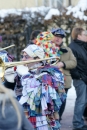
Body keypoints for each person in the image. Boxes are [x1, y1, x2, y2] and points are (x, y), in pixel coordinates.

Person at [51, 28, 77, 121]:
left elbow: (74, 62)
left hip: (64, 81)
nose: (58, 39)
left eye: (60, 37)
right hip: (49, 81)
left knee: (62, 103)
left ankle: (58, 121)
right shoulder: (46, 48)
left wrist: (63, 63)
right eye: (56, 36)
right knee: (50, 104)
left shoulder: (67, 49)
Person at [69, 27, 87, 130]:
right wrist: (79, 76)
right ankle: (77, 124)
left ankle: (79, 122)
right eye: (85, 34)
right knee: (81, 101)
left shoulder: (83, 46)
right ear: (79, 35)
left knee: (83, 101)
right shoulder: (73, 47)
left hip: (84, 78)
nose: (86, 36)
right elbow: (72, 65)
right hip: (80, 79)